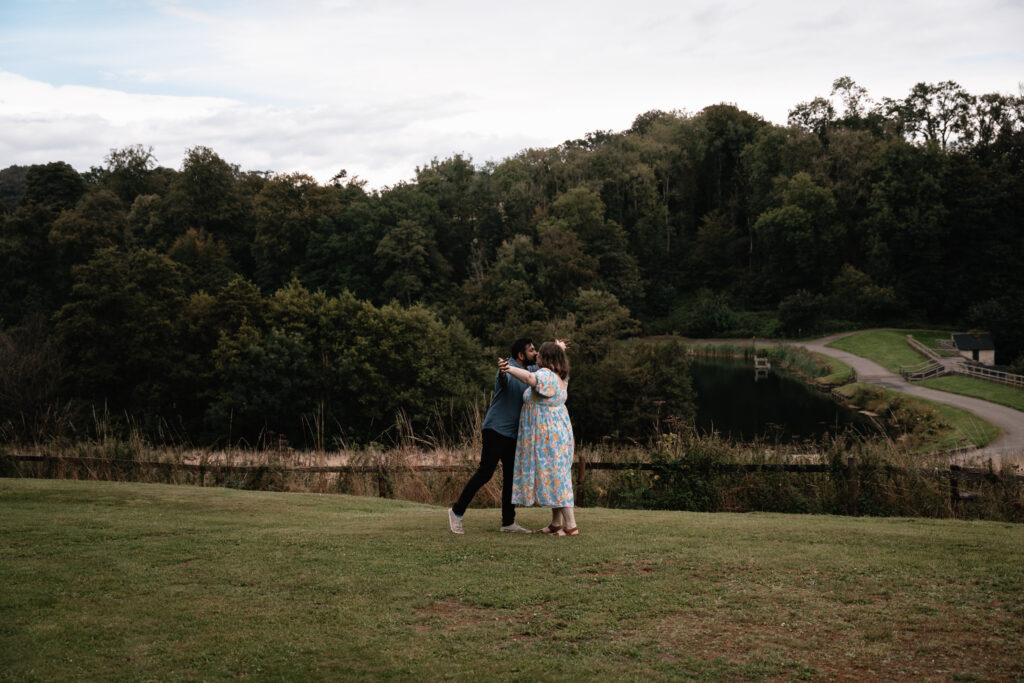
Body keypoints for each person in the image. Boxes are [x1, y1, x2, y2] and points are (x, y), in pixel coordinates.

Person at [447, 338, 538, 534]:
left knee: (510, 478)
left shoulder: (530, 370)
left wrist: (558, 348)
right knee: (485, 472)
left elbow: (548, 366)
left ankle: (508, 523)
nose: (535, 353)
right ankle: (456, 512)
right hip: (495, 429)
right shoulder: (506, 369)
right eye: (532, 350)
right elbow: (503, 379)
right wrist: (503, 371)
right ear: (521, 355)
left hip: (513, 434)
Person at [500, 340, 578, 537]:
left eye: (540, 354)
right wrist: (559, 347)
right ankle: (556, 523)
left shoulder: (545, 375)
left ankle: (571, 526)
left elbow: (529, 378)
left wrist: (508, 368)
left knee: (557, 477)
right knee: (554, 475)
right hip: (558, 432)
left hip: (548, 435)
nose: (537, 356)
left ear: (547, 358)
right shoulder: (561, 376)